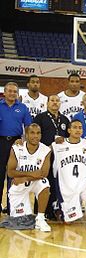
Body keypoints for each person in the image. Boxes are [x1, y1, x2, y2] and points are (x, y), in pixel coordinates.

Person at [52, 120, 86, 229]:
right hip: (67, 187)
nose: (78, 130)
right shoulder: (58, 144)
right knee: (68, 222)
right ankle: (58, 205)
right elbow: (41, 150)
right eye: (75, 127)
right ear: (69, 130)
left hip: (82, 183)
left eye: (80, 127)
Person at [7, 123, 51, 232]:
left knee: (45, 183)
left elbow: (43, 174)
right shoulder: (17, 148)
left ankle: (40, 218)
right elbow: (10, 172)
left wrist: (25, 178)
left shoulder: (46, 150)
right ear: (26, 135)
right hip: (20, 185)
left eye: (38, 133)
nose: (35, 136)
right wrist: (31, 175)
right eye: (32, 133)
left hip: (31, 182)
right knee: (21, 220)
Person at [33, 95, 69, 219]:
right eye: (52, 100)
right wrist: (48, 147)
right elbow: (35, 137)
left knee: (57, 183)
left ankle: (55, 210)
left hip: (61, 158)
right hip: (44, 155)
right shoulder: (40, 118)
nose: (55, 103)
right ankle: (41, 212)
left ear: (60, 103)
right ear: (47, 103)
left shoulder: (65, 119)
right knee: (43, 182)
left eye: (57, 101)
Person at [0, 82, 32, 214]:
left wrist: (23, 140)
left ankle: (11, 206)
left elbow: (29, 127)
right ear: (5, 92)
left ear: (18, 94)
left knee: (12, 175)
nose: (12, 93)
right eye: (10, 91)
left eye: (15, 91)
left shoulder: (23, 108)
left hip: (16, 143)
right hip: (1, 142)